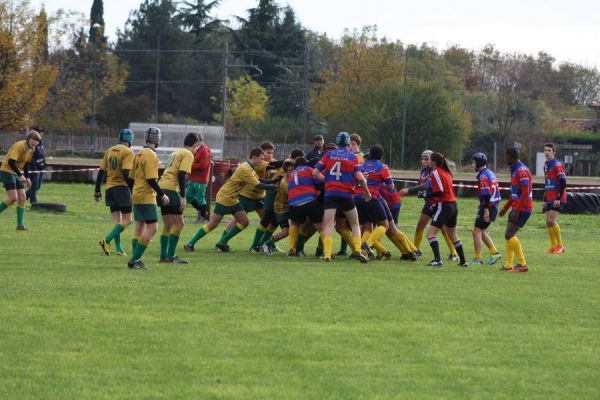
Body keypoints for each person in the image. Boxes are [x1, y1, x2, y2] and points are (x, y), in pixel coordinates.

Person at [184, 147, 279, 253]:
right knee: (214, 223)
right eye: (261, 158)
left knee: (244, 221)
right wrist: (274, 187)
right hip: (225, 197)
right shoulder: (245, 169)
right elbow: (258, 185)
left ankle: (222, 242)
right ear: (254, 157)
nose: (263, 161)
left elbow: (259, 179)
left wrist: (273, 182)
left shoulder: (249, 167)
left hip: (231, 198)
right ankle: (190, 243)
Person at [400, 152, 467, 267]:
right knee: (453, 235)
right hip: (453, 205)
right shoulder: (446, 172)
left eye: (429, 159)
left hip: (444, 205)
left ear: (434, 162)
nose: (427, 161)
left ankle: (437, 260)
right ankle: (463, 262)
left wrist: (424, 194)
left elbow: (440, 191)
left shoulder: (436, 172)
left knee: (430, 234)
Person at [313, 131, 370, 263]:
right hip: (346, 194)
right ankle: (357, 251)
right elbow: (360, 178)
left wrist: (327, 181)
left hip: (331, 193)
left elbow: (315, 172)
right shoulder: (353, 157)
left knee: (328, 225)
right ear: (348, 143)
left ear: (337, 142)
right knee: (355, 224)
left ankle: (327, 255)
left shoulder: (329, 154)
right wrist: (367, 193)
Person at [127, 127, 170, 269]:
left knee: (139, 226)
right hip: (146, 196)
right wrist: (162, 194)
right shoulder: (151, 155)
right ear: (157, 139)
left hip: (136, 194)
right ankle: (134, 259)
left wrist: (133, 192)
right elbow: (152, 179)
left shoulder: (138, 154)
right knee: (153, 227)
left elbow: (131, 179)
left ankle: (136, 259)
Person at [158, 132, 200, 264]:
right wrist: (183, 196)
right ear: (195, 144)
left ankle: (164, 257)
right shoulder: (188, 154)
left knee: (168, 225)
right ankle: (170, 256)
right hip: (171, 189)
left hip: (162, 187)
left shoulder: (175, 152)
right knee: (179, 223)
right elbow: (182, 174)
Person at [95, 128, 136, 256]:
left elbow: (101, 171)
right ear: (131, 140)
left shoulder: (109, 150)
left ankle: (119, 248)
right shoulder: (128, 152)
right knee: (128, 220)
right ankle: (106, 239)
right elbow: (125, 172)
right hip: (121, 188)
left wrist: (97, 190)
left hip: (109, 188)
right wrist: (133, 188)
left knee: (117, 220)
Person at [411, 150, 458, 260]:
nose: (423, 161)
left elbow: (431, 187)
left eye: (426, 159)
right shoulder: (423, 171)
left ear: (431, 160)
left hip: (438, 204)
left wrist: (413, 191)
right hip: (428, 204)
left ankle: (453, 253)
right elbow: (422, 185)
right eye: (422, 159)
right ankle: (415, 250)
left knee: (444, 229)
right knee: (419, 227)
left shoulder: (436, 171)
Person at [498, 147, 533, 273]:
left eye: (505, 156)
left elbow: (525, 192)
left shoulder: (522, 171)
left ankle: (522, 264)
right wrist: (505, 208)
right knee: (508, 235)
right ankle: (508, 265)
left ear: (510, 157)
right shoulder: (514, 170)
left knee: (509, 235)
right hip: (517, 206)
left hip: (523, 207)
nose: (504, 159)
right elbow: (515, 194)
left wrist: (517, 210)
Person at [0, 130, 41, 230]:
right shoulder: (19, 145)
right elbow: (11, 162)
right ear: (28, 138)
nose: (34, 142)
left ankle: (20, 225)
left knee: (22, 197)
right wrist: (20, 175)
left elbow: (26, 164)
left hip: (16, 173)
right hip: (7, 171)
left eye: (37, 140)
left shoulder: (32, 149)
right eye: (33, 139)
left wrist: (27, 177)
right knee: (13, 198)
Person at [470, 152, 502, 265]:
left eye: (473, 162)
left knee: (476, 231)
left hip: (489, 207)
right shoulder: (489, 173)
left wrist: (486, 210)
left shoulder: (483, 175)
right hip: (493, 205)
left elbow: (487, 194)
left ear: (478, 163)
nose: (471, 165)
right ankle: (495, 253)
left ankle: (478, 259)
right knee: (481, 231)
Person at [543, 142, 567, 254]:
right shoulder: (546, 166)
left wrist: (558, 198)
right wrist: (544, 200)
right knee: (548, 222)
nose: (547, 152)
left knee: (551, 220)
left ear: (554, 152)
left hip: (557, 197)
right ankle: (553, 247)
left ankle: (560, 246)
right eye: (545, 150)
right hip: (549, 197)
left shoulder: (557, 165)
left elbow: (563, 183)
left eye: (549, 150)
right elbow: (547, 183)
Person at [186, 133, 211, 222]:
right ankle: (201, 211)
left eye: (196, 141)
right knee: (188, 196)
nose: (195, 143)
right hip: (193, 178)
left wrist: (190, 165)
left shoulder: (205, 151)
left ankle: (203, 217)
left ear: (200, 141)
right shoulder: (197, 150)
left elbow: (203, 166)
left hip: (201, 179)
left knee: (201, 199)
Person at [26, 126, 46, 204]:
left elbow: (41, 156)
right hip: (34, 169)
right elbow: (29, 157)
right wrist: (34, 167)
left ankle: (23, 196)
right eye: (40, 133)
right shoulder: (32, 143)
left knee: (37, 186)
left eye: (41, 133)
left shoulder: (40, 143)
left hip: (40, 168)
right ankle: (34, 203)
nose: (41, 135)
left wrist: (43, 164)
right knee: (34, 186)